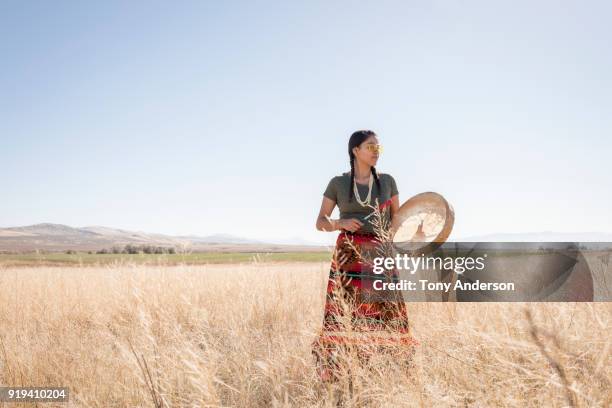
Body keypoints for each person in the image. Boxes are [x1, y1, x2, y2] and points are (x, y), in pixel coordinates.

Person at [312, 130, 417, 382]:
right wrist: (341, 223)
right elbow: (320, 222)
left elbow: (397, 220)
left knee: (386, 310)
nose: (376, 151)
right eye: (370, 146)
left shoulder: (388, 181)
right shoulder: (337, 183)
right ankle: (339, 370)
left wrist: (416, 230)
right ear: (355, 151)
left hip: (380, 252)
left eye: (378, 147)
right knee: (346, 310)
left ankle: (389, 370)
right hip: (349, 253)